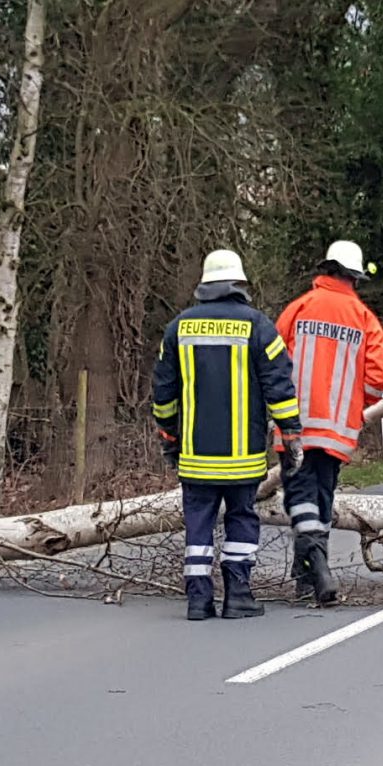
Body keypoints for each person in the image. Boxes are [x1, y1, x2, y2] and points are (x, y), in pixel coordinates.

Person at [151, 248, 300, 621]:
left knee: (198, 523)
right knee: (241, 518)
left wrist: (169, 435)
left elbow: (163, 392)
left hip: (195, 454)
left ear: (204, 285)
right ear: (239, 284)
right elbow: (279, 386)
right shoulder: (258, 326)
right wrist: (290, 434)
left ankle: (198, 600)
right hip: (243, 456)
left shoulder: (178, 328)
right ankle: (238, 595)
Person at [276, 239, 383, 605]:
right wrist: (358, 402)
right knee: (322, 497)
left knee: (300, 497)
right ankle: (309, 577)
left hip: (295, 425)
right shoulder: (364, 318)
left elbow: (272, 361)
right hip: (337, 430)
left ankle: (314, 568)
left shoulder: (298, 308)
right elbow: (379, 376)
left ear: (325, 269)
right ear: (354, 277)